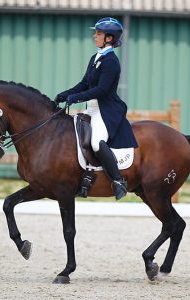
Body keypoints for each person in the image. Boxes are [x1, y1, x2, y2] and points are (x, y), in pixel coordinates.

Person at [55, 17, 138, 200]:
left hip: (105, 110)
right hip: (91, 108)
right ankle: (84, 176)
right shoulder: (96, 58)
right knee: (73, 136)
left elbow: (101, 90)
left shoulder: (111, 62)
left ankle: (118, 181)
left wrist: (75, 98)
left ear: (109, 38)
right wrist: (64, 94)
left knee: (96, 142)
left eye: (98, 33)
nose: (95, 36)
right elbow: (85, 83)